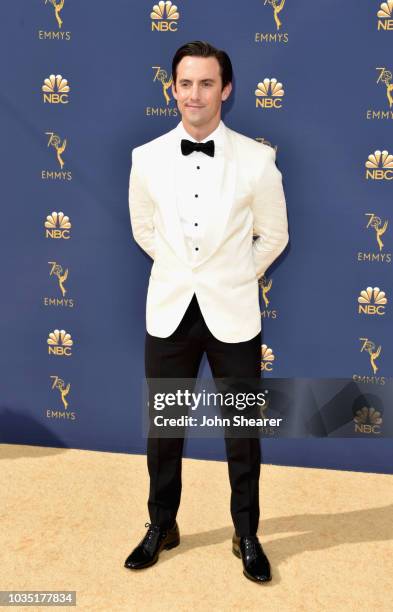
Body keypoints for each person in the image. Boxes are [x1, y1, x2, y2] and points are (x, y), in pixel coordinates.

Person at [124, 40, 289, 583]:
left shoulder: (258, 160)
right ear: (173, 88)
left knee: (242, 431)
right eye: (185, 83)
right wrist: (182, 268)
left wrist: (235, 272)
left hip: (233, 311)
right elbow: (143, 230)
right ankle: (161, 525)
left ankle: (247, 532)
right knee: (164, 429)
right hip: (169, 309)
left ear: (226, 89)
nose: (195, 94)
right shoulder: (144, 158)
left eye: (206, 84)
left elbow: (275, 235)